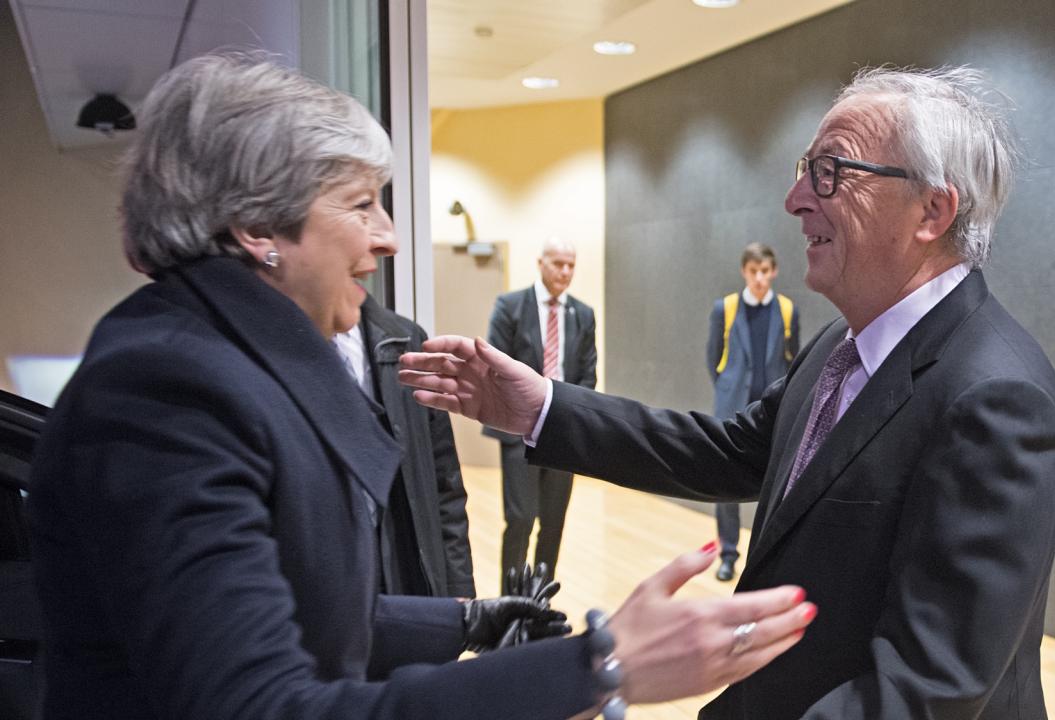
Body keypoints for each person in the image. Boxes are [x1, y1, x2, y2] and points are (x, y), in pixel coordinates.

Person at [25, 53, 816, 720]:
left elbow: (299, 605)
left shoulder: (225, 363)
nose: (389, 237)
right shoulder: (168, 390)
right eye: (362, 204)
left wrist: (462, 620)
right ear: (256, 228)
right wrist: (601, 667)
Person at [402, 65, 1055, 719]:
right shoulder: (842, 345)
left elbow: (928, 688)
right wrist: (541, 406)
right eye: (803, 170)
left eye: (830, 172)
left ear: (932, 210)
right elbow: (726, 451)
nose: (796, 199)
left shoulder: (998, 400)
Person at [334, 295, 476, 598]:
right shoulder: (267, 351)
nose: (386, 245)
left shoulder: (407, 340)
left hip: (402, 576)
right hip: (331, 594)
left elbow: (445, 483)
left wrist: (457, 589)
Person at [483, 238, 596, 592]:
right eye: (558, 263)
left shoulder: (584, 314)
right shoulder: (510, 306)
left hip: (562, 431)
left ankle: (540, 599)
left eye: (571, 265)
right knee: (520, 519)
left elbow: (587, 374)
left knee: (553, 522)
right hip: (518, 428)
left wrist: (571, 416)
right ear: (540, 262)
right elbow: (495, 367)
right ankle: (509, 602)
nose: (565, 271)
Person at [705, 243, 799, 582]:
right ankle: (728, 554)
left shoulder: (787, 310)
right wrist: (729, 391)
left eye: (765, 271)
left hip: (773, 411)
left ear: (773, 271)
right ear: (744, 271)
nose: (759, 278)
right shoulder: (725, 309)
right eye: (753, 271)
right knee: (723, 482)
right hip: (732, 408)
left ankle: (765, 557)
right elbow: (713, 360)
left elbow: (794, 361)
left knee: (775, 482)